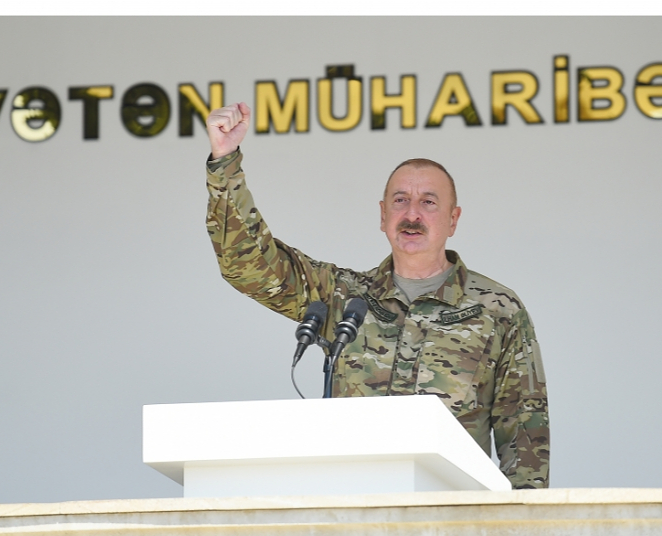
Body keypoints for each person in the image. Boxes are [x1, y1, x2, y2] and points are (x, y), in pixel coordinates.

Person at [204, 102, 550, 489]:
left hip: (450, 513)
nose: (412, 214)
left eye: (428, 202)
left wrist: (518, 519)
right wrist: (225, 161)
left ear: (453, 219)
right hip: (353, 507)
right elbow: (248, 264)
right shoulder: (343, 297)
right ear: (383, 215)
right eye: (400, 201)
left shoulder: (497, 309)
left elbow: (525, 436)